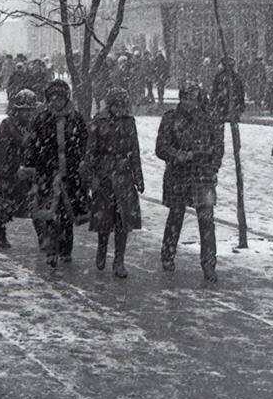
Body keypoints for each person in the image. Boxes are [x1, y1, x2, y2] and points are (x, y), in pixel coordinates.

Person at [155, 84, 224, 283]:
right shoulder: (170, 118)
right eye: (186, 98)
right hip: (179, 175)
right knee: (176, 215)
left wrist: (212, 166)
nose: (189, 103)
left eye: (193, 99)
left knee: (206, 219)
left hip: (203, 176)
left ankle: (209, 263)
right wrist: (179, 156)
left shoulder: (210, 119)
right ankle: (168, 254)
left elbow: (218, 146)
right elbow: (161, 147)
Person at [24, 79, 88, 268]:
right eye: (53, 98)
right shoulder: (41, 119)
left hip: (71, 173)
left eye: (60, 98)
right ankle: (51, 250)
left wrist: (82, 164)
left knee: (67, 214)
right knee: (49, 214)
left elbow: (84, 143)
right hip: (47, 173)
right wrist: (30, 166)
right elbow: (32, 145)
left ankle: (66, 250)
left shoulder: (76, 119)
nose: (56, 101)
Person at [85, 87, 144, 278]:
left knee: (122, 221)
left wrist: (138, 176)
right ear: (110, 105)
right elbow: (91, 151)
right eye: (116, 105)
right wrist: (92, 175)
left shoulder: (129, 123)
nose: (120, 109)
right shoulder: (98, 122)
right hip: (104, 178)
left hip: (124, 177)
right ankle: (102, 249)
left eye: (122, 105)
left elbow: (135, 150)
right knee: (104, 219)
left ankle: (119, 260)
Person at [0, 89, 38, 249]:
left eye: (30, 110)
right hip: (7, 169)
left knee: (36, 205)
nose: (27, 114)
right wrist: (10, 167)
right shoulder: (7, 125)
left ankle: (43, 237)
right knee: (2, 206)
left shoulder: (36, 126)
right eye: (24, 110)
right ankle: (0, 235)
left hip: (29, 170)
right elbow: (1, 149)